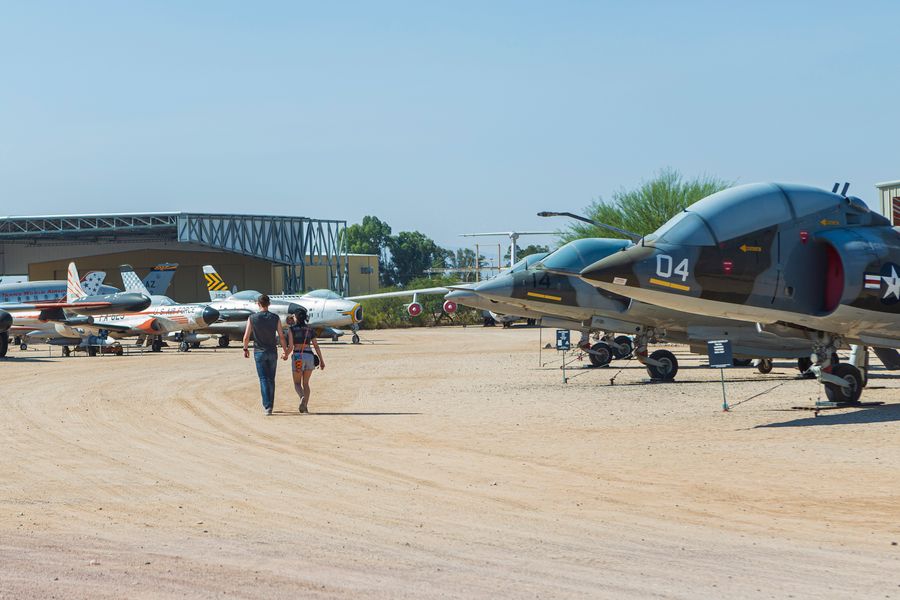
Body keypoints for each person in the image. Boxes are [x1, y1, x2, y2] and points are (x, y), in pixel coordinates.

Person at [243, 294, 289, 415]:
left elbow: (246, 336)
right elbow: (281, 336)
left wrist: (245, 349)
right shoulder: (275, 317)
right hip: (272, 351)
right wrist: (285, 351)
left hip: (259, 352)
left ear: (258, 304)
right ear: (269, 304)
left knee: (263, 379)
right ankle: (271, 405)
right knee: (271, 379)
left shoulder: (252, 318)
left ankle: (267, 406)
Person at [287, 306, 325, 413]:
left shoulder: (291, 329)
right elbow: (316, 346)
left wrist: (285, 355)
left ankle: (302, 397)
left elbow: (290, 347)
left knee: (297, 383)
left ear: (296, 317)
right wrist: (321, 360)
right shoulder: (310, 329)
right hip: (309, 356)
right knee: (306, 383)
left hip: (298, 356)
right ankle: (305, 407)